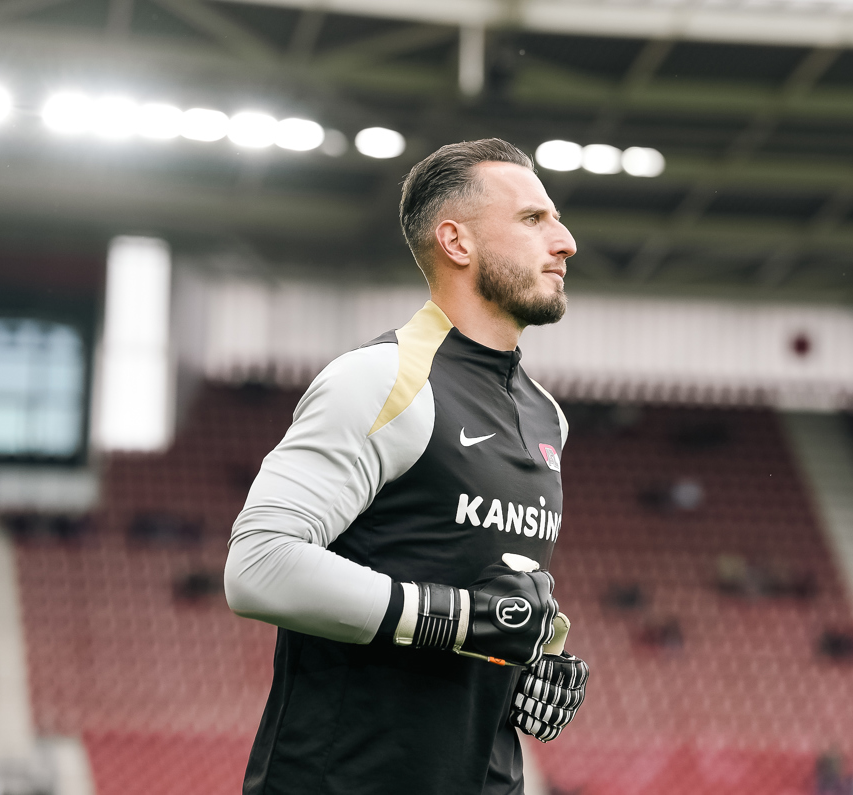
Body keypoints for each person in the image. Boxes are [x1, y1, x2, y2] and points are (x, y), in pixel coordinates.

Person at [224, 139, 590, 795]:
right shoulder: (382, 378)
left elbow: (481, 587)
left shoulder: (547, 416)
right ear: (456, 241)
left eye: (556, 221)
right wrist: (455, 618)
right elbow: (257, 565)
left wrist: (534, 654)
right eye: (533, 219)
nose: (565, 242)